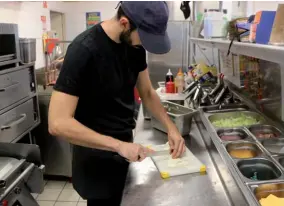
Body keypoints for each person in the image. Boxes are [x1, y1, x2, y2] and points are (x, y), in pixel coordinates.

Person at [48, 1, 185, 206]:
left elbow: (147, 92)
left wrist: (171, 127)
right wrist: (118, 146)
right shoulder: (84, 50)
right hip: (95, 156)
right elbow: (57, 123)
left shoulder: (134, 48)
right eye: (144, 38)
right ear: (124, 22)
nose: (143, 45)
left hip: (125, 148)